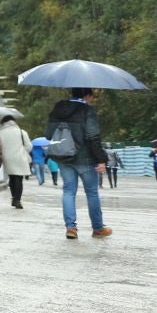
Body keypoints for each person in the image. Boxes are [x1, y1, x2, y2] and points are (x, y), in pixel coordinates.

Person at [46, 87, 110, 240]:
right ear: (87, 96)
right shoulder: (87, 110)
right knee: (92, 193)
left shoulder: (58, 109)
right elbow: (93, 136)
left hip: (64, 157)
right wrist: (101, 158)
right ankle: (98, 228)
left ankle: (71, 228)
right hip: (85, 158)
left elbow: (48, 134)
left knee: (68, 191)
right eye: (91, 97)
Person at [0, 116, 32, 209]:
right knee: (19, 178)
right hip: (20, 157)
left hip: (7, 158)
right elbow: (29, 146)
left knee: (12, 177)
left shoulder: (0, 133)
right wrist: (22, 151)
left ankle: (14, 197)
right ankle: (17, 199)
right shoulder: (21, 132)